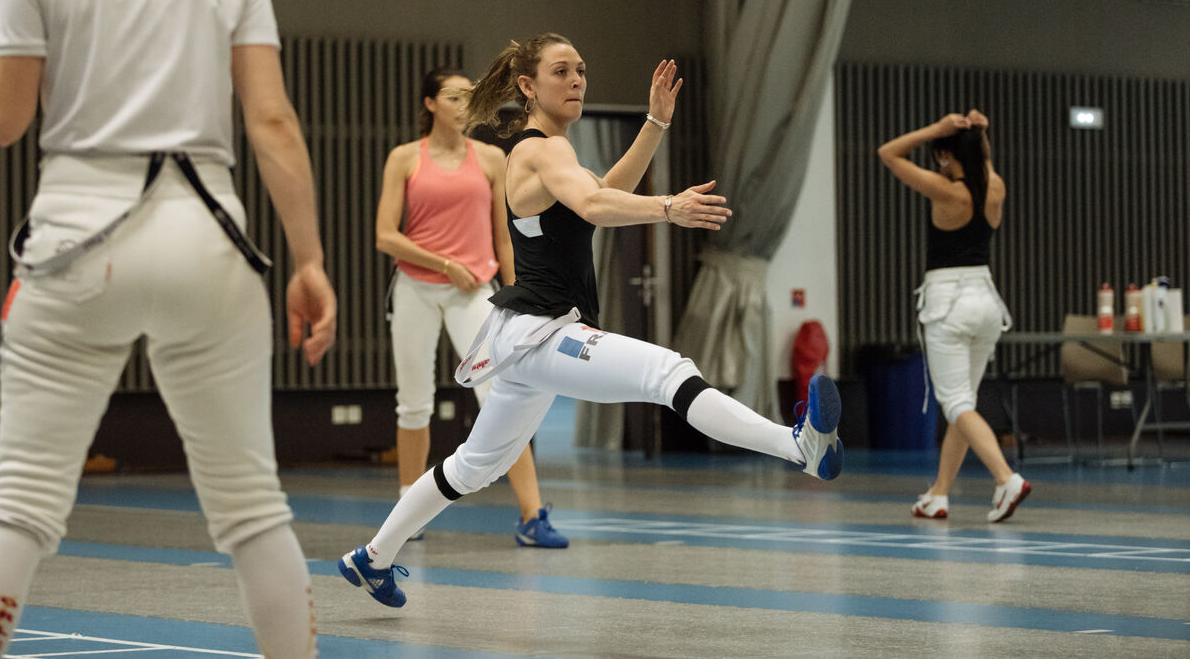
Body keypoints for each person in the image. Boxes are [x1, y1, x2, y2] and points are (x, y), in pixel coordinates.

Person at [0, 0, 335, 659]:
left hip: (77, 246)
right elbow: (272, 122)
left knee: (18, 507)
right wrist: (309, 259)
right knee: (254, 510)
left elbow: (3, 121)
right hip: (211, 242)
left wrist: (1, 35)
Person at [339, 33, 843, 609]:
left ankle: (372, 557)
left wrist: (654, 123)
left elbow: (601, 192)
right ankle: (799, 447)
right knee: (668, 372)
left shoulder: (545, 153)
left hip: (521, 338)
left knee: (472, 467)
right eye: (561, 71)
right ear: (528, 86)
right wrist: (669, 207)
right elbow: (597, 206)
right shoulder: (542, 151)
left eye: (580, 69)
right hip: (543, 334)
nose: (577, 79)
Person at [374, 67, 566, 547]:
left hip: (474, 290)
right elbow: (386, 236)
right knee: (414, 403)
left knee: (505, 397)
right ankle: (408, 512)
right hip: (416, 289)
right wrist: (443, 263)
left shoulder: (491, 159)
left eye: (469, 97)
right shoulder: (404, 158)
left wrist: (520, 297)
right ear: (430, 104)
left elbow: (504, 236)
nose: (464, 105)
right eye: (453, 97)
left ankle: (532, 516)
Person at [877, 110, 1030, 523]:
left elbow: (888, 153)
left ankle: (1006, 478)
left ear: (944, 155)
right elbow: (983, 161)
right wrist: (981, 132)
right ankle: (939, 493)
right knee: (964, 405)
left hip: (949, 304)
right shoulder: (995, 186)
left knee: (957, 403)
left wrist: (937, 129)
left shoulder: (945, 191)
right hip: (987, 301)